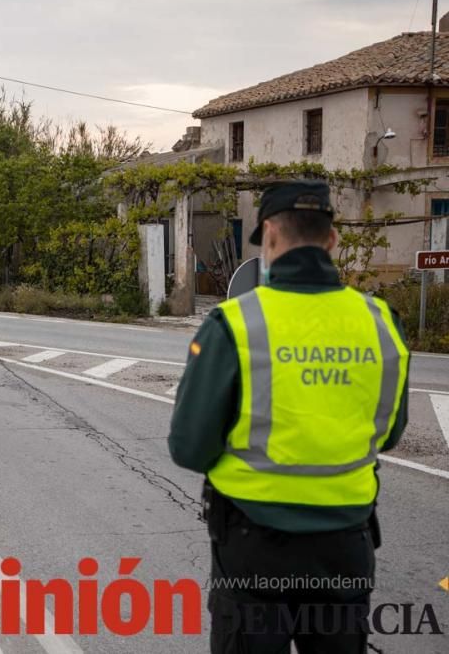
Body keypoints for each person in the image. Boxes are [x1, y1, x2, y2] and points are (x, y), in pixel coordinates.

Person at [168, 180, 410, 653]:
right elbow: (390, 432)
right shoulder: (380, 321)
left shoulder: (235, 323)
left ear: (271, 235)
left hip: (254, 546)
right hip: (346, 545)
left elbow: (190, 446)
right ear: (333, 240)